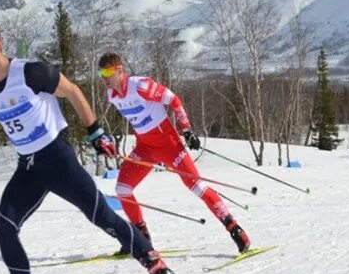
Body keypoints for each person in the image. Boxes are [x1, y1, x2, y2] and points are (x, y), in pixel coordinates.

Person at [0, 20, 184, 274]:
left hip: (57, 159)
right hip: (27, 166)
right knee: (4, 225)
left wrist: (94, 131)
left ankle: (161, 271)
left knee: (102, 217)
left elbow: (72, 91)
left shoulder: (29, 72)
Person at [97, 53, 251, 254]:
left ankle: (234, 229)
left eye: (108, 72)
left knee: (196, 186)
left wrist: (186, 129)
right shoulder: (112, 96)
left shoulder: (140, 86)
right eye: (101, 73)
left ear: (120, 70)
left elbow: (173, 100)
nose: (104, 78)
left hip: (169, 145)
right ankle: (141, 238)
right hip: (145, 148)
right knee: (123, 189)